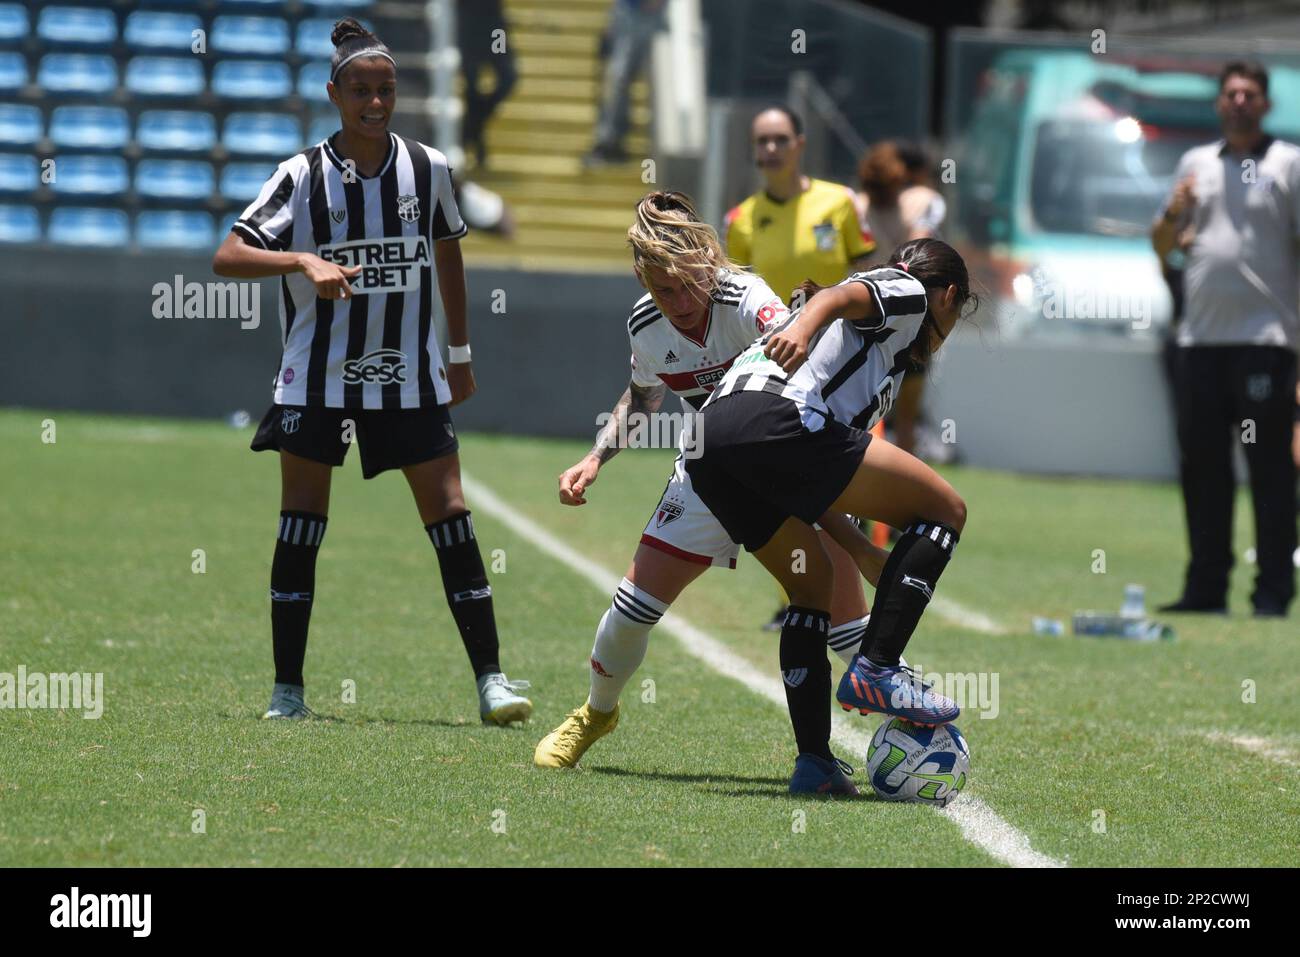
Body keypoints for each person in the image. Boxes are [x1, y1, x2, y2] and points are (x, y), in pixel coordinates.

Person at [211, 18, 533, 724]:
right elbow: (228, 256)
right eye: (361, 90)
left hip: (409, 376)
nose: (375, 102)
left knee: (450, 512)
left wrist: (460, 354)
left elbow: (449, 251)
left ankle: (492, 681)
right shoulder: (299, 176)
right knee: (302, 519)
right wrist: (301, 259)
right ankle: (287, 690)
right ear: (334, 93)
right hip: (317, 376)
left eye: (385, 89)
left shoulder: (429, 168)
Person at [532, 191, 891, 776]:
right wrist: (596, 458)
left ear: (709, 262)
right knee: (629, 611)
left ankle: (905, 729)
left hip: (784, 466)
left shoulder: (746, 298)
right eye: (659, 289)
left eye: (682, 286)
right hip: (708, 474)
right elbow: (645, 397)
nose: (674, 302)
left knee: (846, 627)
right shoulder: (646, 325)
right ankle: (597, 713)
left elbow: (800, 357)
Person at [685, 239, 976, 794]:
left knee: (812, 583)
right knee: (946, 509)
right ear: (950, 297)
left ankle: (815, 764)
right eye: (956, 316)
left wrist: (861, 548)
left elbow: (810, 481)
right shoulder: (911, 293)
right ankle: (878, 667)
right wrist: (802, 324)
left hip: (711, 444)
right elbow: (846, 294)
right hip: (774, 419)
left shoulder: (871, 358)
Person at [1151, 60, 1300, 617]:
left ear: (1265, 103)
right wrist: (1172, 215)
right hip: (1200, 341)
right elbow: (1163, 245)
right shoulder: (1196, 163)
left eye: (1250, 94)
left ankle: (1272, 593)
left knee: (1269, 471)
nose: (1239, 101)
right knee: (1203, 468)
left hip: (1266, 339)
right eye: (1231, 93)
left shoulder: (1290, 163)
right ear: (1219, 103)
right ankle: (1206, 588)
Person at [724, 105, 876, 628]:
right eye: (762, 140)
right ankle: (807, 597)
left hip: (841, 362)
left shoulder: (839, 203)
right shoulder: (741, 220)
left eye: (780, 139)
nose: (770, 149)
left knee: (846, 478)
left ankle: (849, 604)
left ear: (801, 144)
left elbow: (866, 275)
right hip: (775, 365)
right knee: (789, 481)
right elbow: (736, 294)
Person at [853, 140, 948, 458]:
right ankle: (905, 494)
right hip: (908, 318)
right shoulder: (923, 200)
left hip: (863, 316)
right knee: (906, 418)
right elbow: (919, 254)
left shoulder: (854, 205)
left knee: (857, 411)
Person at [584, 0, 666, 167]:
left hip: (655, 16)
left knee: (660, 83)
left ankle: (615, 140)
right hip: (627, 12)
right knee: (616, 78)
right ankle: (609, 141)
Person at [457, 0, 517, 169]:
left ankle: (470, 130)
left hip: (495, 27)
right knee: (472, 86)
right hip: (466, 25)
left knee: (508, 77)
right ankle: (473, 134)